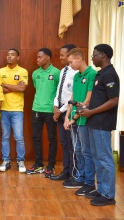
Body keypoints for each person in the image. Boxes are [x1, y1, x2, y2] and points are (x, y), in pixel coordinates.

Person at [81, 44, 119, 206]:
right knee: (97, 157)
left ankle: (108, 195)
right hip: (94, 122)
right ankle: (101, 189)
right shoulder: (100, 74)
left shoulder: (110, 74)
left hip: (102, 123)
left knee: (105, 159)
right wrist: (85, 108)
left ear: (102, 55)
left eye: (94, 55)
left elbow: (113, 100)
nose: (92, 58)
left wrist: (92, 112)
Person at [63, 48, 97, 197]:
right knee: (78, 150)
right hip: (75, 118)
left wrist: (74, 118)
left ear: (79, 58)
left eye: (71, 61)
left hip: (84, 119)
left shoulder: (92, 74)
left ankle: (89, 183)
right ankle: (80, 177)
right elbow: (73, 98)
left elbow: (88, 100)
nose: (70, 65)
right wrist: (67, 117)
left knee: (86, 151)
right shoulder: (77, 76)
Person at [27, 48, 60, 177]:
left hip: (51, 111)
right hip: (36, 109)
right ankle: (38, 165)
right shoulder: (35, 73)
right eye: (37, 57)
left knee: (52, 138)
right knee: (36, 138)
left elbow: (59, 92)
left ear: (48, 58)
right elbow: (37, 87)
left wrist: (56, 107)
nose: (37, 59)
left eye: (40, 57)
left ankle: (51, 166)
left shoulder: (57, 72)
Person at [0, 48, 28, 173]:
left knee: (19, 137)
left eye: (12, 55)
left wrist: (7, 85)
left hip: (17, 109)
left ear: (18, 57)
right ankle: (6, 160)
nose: (9, 57)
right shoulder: (0, 71)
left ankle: (21, 161)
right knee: (4, 136)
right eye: (8, 55)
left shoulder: (22, 71)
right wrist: (16, 87)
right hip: (3, 108)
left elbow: (22, 89)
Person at [50, 44, 77, 181]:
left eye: (63, 55)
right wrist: (55, 106)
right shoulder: (63, 71)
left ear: (71, 55)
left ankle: (73, 173)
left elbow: (73, 95)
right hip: (59, 111)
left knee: (72, 145)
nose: (60, 57)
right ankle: (66, 171)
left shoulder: (76, 73)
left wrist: (60, 111)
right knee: (64, 143)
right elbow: (59, 91)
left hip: (69, 112)